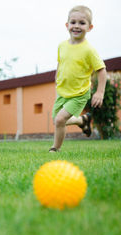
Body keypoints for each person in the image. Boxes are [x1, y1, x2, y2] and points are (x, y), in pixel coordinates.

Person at [49, 5, 107, 152]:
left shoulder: (89, 50)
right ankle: (83, 121)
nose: (76, 26)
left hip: (79, 94)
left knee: (60, 120)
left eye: (82, 23)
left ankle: (55, 149)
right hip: (63, 92)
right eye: (73, 22)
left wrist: (99, 92)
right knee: (57, 120)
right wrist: (57, 77)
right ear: (67, 25)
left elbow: (101, 70)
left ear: (90, 27)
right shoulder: (62, 45)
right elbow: (61, 62)